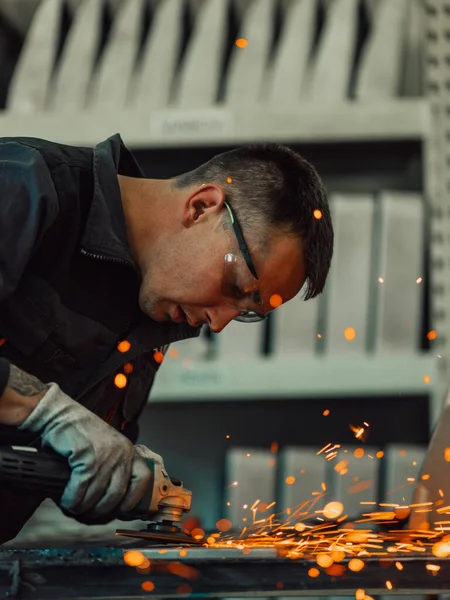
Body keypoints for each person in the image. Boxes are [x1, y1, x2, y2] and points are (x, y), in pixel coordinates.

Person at [0, 134, 333, 544]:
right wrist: (48, 412)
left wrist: (115, 479)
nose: (219, 324)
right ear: (202, 208)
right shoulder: (23, 183)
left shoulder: (153, 313)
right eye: (235, 285)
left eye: (247, 313)